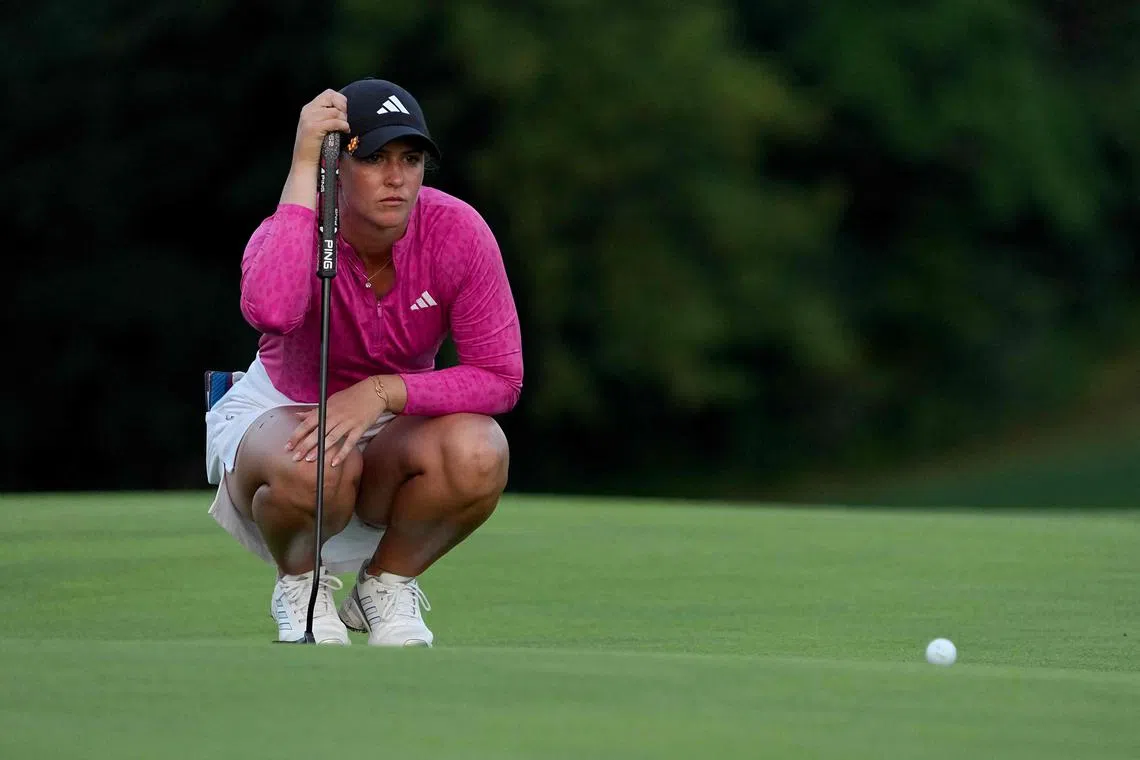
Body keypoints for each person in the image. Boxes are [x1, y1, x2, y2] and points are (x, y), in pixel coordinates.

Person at [204, 78, 523, 646]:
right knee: (316, 462)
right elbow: (271, 310)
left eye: (411, 158)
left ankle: (383, 586)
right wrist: (305, 163)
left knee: (480, 449)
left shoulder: (458, 232)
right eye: (373, 158)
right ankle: (300, 583)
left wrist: (381, 392)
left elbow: (501, 378)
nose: (396, 177)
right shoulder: (299, 222)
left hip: (395, 420)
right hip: (281, 415)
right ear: (337, 166)